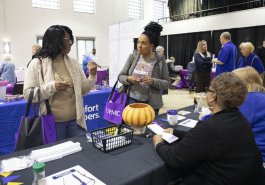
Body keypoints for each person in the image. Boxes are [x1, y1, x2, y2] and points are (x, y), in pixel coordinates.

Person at [153, 72, 264, 185]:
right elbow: (205, 141)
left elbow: (176, 159)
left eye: (208, 90)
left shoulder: (211, 126)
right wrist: (177, 132)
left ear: (214, 96)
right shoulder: (240, 119)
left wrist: (158, 144)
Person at [24, 25, 97, 141]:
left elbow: (83, 90)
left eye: (70, 40)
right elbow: (28, 94)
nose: (70, 44)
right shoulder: (37, 63)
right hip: (53, 124)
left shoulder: (73, 63)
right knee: (57, 157)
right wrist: (52, 87)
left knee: (81, 156)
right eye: (66, 40)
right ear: (55, 41)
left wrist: (92, 75)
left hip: (76, 123)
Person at [118, 22, 170, 116]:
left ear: (152, 45)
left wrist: (153, 81)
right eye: (138, 42)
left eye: (144, 43)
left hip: (151, 104)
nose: (139, 46)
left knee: (150, 129)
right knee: (131, 128)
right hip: (130, 100)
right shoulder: (133, 57)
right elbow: (121, 76)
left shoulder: (160, 60)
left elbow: (166, 83)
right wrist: (128, 79)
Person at [233, 66, 265, 162]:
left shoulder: (250, 99)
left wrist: (206, 117)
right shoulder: (259, 97)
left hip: (254, 158)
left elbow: (229, 124)